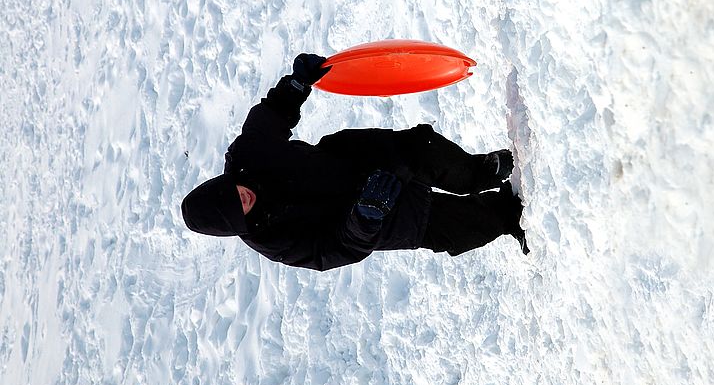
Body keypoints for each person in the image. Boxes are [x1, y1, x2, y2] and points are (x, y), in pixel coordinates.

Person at [181, 53, 528, 271]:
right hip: (372, 214)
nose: (244, 199)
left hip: (353, 159)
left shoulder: (246, 156)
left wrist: (297, 84)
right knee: (454, 226)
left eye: (234, 193)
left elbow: (271, 115)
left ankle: (480, 171)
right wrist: (365, 218)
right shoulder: (271, 239)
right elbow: (332, 251)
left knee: (421, 150)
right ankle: (507, 214)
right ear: (235, 226)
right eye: (238, 211)